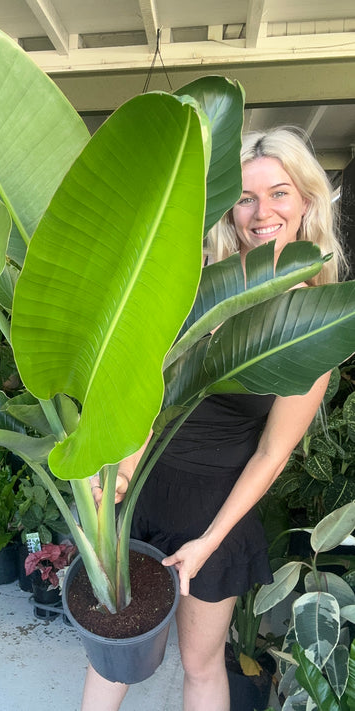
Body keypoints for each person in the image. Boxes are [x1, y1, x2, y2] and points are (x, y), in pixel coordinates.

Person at [81, 127, 347, 711]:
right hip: (143, 494)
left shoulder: (314, 319)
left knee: (200, 664)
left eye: (279, 193)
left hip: (214, 514)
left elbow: (272, 454)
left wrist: (206, 543)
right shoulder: (196, 285)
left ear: (306, 200)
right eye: (246, 198)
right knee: (112, 653)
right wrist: (121, 476)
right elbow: (152, 397)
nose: (262, 212)